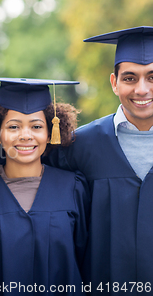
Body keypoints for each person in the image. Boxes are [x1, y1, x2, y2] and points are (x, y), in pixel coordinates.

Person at [46, 26, 153, 295]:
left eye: (152, 77)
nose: (142, 89)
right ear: (114, 83)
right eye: (130, 78)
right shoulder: (79, 146)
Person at [0, 77, 88, 295]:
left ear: (50, 133)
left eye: (36, 126)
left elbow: (85, 258)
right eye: (13, 126)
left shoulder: (73, 188)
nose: (25, 135)